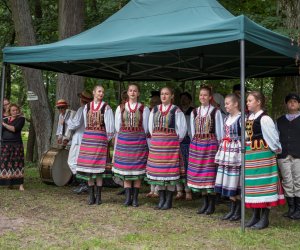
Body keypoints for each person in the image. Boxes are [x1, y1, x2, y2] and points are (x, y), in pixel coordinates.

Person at [245, 91, 285, 229]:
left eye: (250, 100)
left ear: (258, 102)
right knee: (254, 186)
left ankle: (265, 218)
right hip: (251, 156)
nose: (247, 103)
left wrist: (275, 151)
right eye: (247, 101)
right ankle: (255, 216)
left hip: (263, 155)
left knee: (265, 185)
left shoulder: (265, 118)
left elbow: (273, 137)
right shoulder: (249, 117)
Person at [146, 87, 187, 210]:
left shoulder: (176, 110)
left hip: (171, 146)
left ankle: (168, 201)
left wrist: (174, 140)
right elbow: (151, 127)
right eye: (162, 94)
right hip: (158, 145)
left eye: (167, 94)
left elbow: (182, 129)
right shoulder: (154, 110)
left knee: (169, 174)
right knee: (159, 173)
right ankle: (161, 200)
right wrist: (157, 138)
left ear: (172, 96)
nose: (164, 96)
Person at [187, 86, 224, 215]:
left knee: (210, 174)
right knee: (200, 174)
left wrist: (219, 145)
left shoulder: (215, 112)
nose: (202, 97)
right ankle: (205, 202)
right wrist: (194, 142)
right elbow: (192, 130)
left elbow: (219, 130)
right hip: (197, 144)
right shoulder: (194, 112)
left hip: (210, 145)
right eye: (200, 95)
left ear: (210, 97)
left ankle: (211, 204)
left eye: (205, 95)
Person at [76, 85, 115, 205]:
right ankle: (91, 196)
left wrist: (105, 139)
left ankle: (98, 196)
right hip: (88, 140)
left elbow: (110, 127)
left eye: (102, 92)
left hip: (100, 140)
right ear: (94, 93)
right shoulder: (86, 107)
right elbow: (86, 123)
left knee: (98, 170)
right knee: (89, 169)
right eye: (99, 91)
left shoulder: (106, 107)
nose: (101, 94)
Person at [113, 84, 150, 207]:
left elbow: (146, 128)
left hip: (138, 141)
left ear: (138, 93)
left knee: (137, 170)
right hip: (124, 141)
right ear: (127, 93)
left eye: (135, 91)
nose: (133, 93)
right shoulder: (121, 108)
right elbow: (117, 127)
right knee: (126, 169)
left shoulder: (144, 109)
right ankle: (128, 198)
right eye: (130, 91)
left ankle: (135, 199)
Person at [215, 94, 242, 221]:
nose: (225, 106)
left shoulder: (241, 118)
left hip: (236, 152)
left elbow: (246, 136)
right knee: (228, 178)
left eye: (227, 103)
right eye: (225, 104)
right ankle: (232, 208)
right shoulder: (226, 118)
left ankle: (238, 210)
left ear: (236, 104)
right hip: (226, 151)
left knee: (236, 180)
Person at [277, 93, 300, 220]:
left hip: (298, 155)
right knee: (287, 181)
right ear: (286, 104)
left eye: (295, 102)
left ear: (299, 104)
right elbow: (275, 137)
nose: (292, 103)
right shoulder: (279, 120)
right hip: (284, 154)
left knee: (298, 181)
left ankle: (298, 209)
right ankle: (291, 208)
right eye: (290, 101)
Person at [67, 90, 93, 194]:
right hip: (88, 138)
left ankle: (83, 184)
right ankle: (85, 183)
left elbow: (75, 124)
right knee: (83, 162)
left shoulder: (82, 109)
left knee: (72, 161)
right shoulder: (91, 110)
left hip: (79, 138)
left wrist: (68, 120)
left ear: (82, 100)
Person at [0, 104, 25, 191]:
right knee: (6, 163)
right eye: (13, 110)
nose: (15, 112)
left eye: (16, 110)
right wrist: (3, 124)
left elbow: (15, 129)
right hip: (5, 144)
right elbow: (2, 131)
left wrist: (4, 124)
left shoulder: (21, 119)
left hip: (16, 144)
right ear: (9, 111)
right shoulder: (6, 119)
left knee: (18, 163)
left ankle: (20, 185)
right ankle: (9, 183)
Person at [176, 92, 193, 201]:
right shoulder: (176, 111)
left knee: (187, 167)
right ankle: (179, 191)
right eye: (182, 98)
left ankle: (188, 191)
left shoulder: (193, 111)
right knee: (177, 167)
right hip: (176, 141)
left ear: (190, 100)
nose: (183, 100)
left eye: (186, 98)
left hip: (188, 141)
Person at [146, 90, 161, 198]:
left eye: (156, 102)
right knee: (151, 164)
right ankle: (152, 188)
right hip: (149, 139)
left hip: (159, 140)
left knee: (159, 163)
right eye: (152, 102)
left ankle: (158, 189)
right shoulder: (148, 111)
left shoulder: (160, 111)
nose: (153, 103)